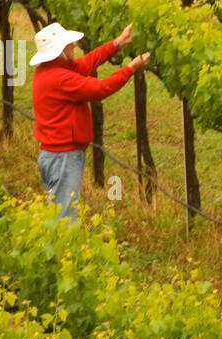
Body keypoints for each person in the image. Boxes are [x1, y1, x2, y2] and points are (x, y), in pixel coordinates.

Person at [30, 21, 150, 221]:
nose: (73, 46)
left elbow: (87, 62)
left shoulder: (50, 70)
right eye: (68, 45)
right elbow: (101, 89)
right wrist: (130, 68)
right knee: (65, 219)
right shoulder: (61, 79)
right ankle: (64, 251)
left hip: (54, 155)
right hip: (63, 158)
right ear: (59, 51)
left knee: (57, 214)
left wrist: (118, 43)